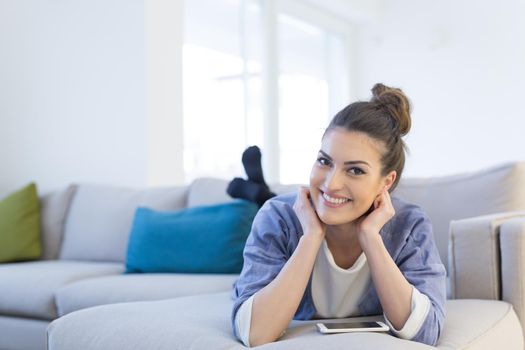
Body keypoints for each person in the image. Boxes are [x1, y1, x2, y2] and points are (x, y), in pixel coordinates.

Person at [230, 83, 446, 347]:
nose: (331, 184)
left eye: (355, 170)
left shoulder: (409, 226)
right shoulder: (279, 217)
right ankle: (256, 189)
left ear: (386, 182)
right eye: (324, 161)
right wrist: (310, 237)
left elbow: (426, 332)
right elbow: (255, 332)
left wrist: (370, 237)